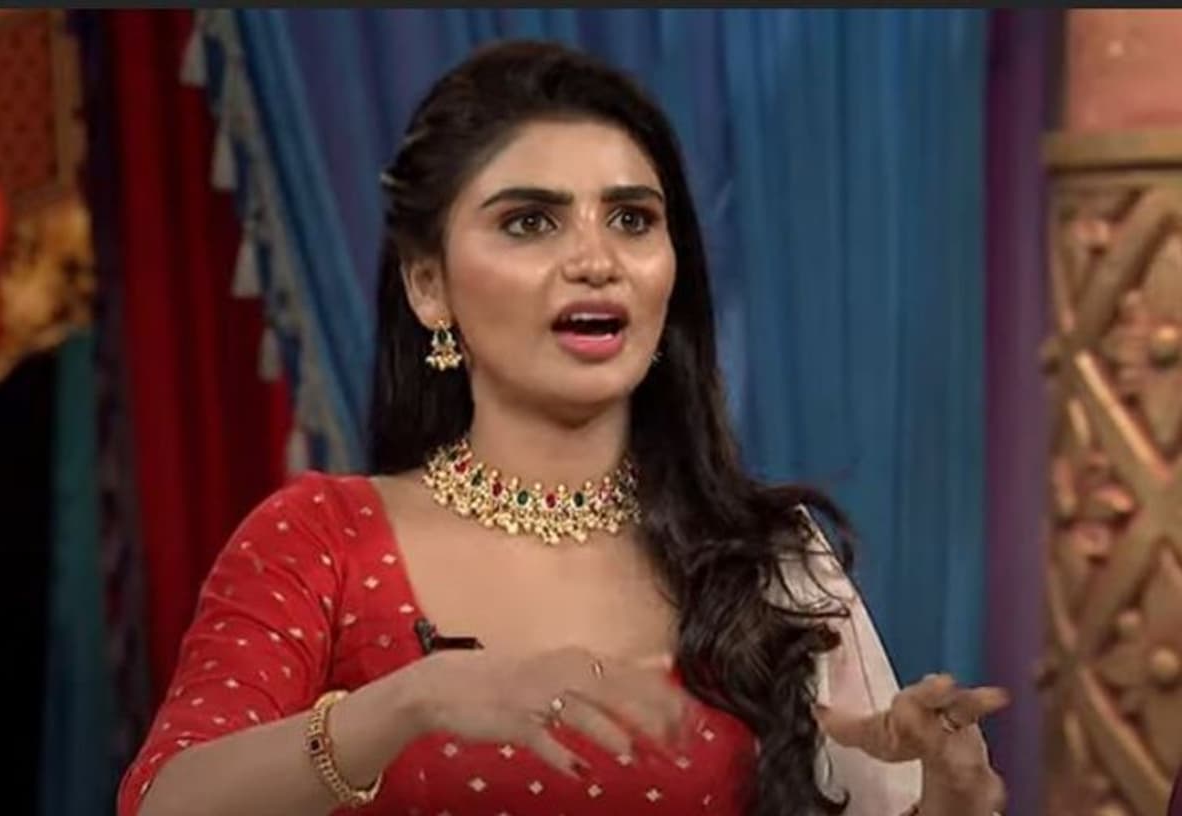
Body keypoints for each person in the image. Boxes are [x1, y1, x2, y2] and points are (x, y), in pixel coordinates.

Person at [119, 40, 1008, 816]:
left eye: (632, 219)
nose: (595, 260)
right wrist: (406, 704)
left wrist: (950, 802)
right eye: (530, 222)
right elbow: (165, 801)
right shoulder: (322, 541)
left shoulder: (763, 558)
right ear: (428, 285)